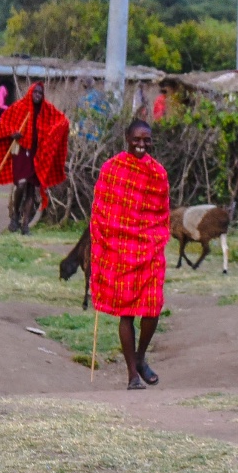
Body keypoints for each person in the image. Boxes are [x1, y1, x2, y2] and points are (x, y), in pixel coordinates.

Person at [89, 119, 169, 390]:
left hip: (149, 249)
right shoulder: (111, 169)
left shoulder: (158, 174)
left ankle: (141, 356)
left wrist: (154, 241)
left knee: (152, 309)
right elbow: (101, 212)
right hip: (120, 251)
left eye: (146, 140)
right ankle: (132, 374)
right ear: (126, 138)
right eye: (137, 139)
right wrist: (103, 244)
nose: (141, 145)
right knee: (126, 314)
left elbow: (161, 215)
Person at [0, 81, 69, 234]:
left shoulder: (47, 110)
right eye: (35, 92)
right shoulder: (19, 107)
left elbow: (63, 121)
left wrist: (51, 135)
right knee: (20, 184)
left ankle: (25, 224)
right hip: (21, 151)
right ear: (30, 92)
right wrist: (13, 133)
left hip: (37, 153)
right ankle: (15, 216)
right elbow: (5, 123)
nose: (37, 95)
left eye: (40, 93)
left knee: (31, 190)